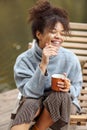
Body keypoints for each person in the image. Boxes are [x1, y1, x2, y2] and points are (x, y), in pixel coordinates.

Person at [10, 0, 82, 130]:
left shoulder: (70, 59)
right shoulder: (24, 60)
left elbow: (77, 86)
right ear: (39, 34)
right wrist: (43, 64)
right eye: (53, 31)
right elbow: (29, 94)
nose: (59, 37)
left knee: (60, 95)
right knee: (30, 103)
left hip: (64, 106)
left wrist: (69, 88)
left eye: (62, 33)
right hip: (35, 104)